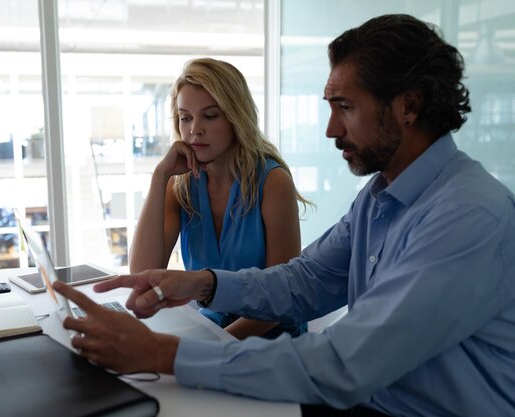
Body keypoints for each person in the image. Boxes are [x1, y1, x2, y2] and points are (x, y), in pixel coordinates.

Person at [53, 14, 515, 417]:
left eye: (346, 108)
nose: (332, 130)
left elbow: (345, 364)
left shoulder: (467, 216)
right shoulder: (379, 197)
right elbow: (304, 281)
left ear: (408, 107)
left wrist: (161, 352)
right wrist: (203, 283)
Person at [128, 57, 310, 340]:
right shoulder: (181, 185)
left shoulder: (273, 182)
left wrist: (213, 345)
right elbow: (142, 275)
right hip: (212, 330)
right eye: (185, 117)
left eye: (210, 116)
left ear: (236, 117)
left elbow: (281, 299)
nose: (194, 130)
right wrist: (160, 175)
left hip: (269, 336)